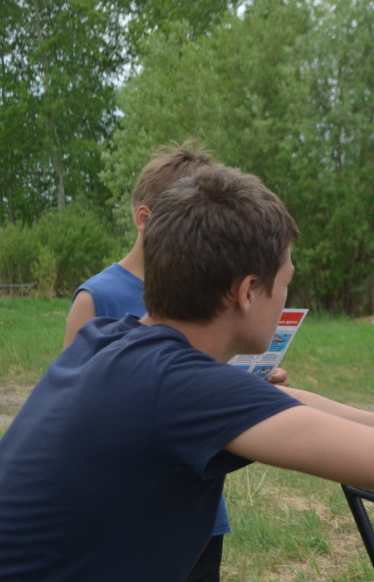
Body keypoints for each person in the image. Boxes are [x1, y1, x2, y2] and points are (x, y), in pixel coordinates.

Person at [0, 166, 374, 580]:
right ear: (247, 292)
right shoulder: (182, 388)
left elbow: (337, 421)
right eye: (286, 280)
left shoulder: (114, 343)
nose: (290, 293)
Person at [61, 140, 286, 582]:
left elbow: (200, 381)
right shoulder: (97, 296)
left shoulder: (211, 293)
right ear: (145, 219)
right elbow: (80, 406)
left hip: (200, 500)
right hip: (130, 514)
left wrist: (249, 382)